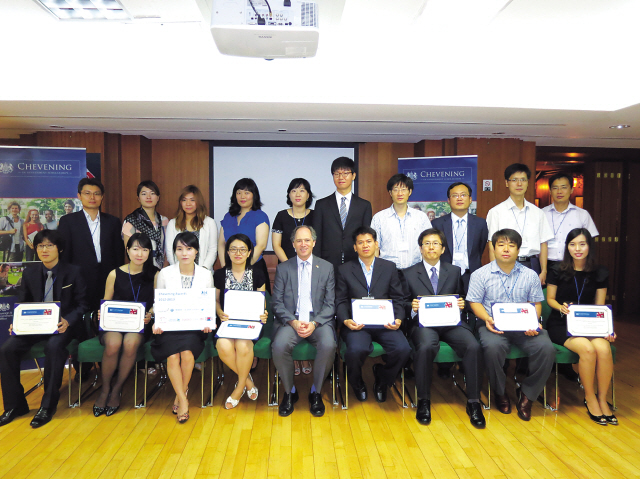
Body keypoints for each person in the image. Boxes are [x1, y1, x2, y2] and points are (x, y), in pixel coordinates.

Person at [0, 230, 87, 428]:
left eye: (49, 245)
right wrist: (17, 322)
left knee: (54, 347)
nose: (44, 250)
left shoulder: (73, 272)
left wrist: (68, 321)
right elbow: (22, 303)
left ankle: (47, 406)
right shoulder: (30, 272)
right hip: (34, 326)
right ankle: (15, 406)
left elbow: (82, 305)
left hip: (62, 326)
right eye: (40, 246)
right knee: (7, 349)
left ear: (60, 249)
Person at [467, 229, 555, 421]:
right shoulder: (480, 274)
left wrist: (534, 321)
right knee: (492, 347)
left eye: (511, 245)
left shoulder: (530, 275)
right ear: (493, 248)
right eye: (501, 245)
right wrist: (487, 319)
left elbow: (536, 304)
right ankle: (500, 392)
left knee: (546, 348)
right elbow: (474, 302)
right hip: (493, 325)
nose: (506, 249)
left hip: (525, 327)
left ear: (518, 249)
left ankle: (528, 394)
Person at [403, 228, 485, 428]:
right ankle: (423, 400)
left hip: (450, 323)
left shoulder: (455, 271)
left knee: (473, 346)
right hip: (423, 323)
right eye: (427, 244)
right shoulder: (408, 273)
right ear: (420, 248)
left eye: (435, 244)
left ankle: (474, 402)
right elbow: (402, 301)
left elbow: (462, 296)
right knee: (425, 346)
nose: (431, 247)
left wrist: (462, 303)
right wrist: (410, 307)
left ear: (443, 249)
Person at [545, 228, 616, 425]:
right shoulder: (557, 270)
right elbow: (550, 299)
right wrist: (561, 307)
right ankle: (590, 397)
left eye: (582, 244)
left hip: (590, 323)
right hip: (561, 323)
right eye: (572, 244)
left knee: (603, 348)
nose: (577, 249)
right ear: (567, 247)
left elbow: (600, 307)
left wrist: (608, 329)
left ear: (589, 247)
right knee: (586, 348)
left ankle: (602, 398)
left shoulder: (600, 272)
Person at [336, 226, 410, 403]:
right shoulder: (345, 269)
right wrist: (346, 320)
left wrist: (398, 318)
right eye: (360, 243)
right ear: (355, 247)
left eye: (369, 241)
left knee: (403, 349)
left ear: (376, 244)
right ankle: (357, 382)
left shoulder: (389, 267)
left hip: (385, 324)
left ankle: (382, 379)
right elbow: (340, 300)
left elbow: (398, 298)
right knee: (355, 350)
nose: (365, 246)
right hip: (357, 324)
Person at [271, 225, 336, 417]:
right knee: (279, 345)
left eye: (307, 240)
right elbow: (277, 302)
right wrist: (293, 322)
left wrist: (314, 323)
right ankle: (290, 392)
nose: (303, 244)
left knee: (328, 344)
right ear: (293, 244)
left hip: (318, 321)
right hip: (292, 321)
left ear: (314, 243)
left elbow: (330, 304)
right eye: (299, 240)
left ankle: (316, 392)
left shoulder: (326, 268)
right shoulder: (284, 268)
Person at [93, 233, 159, 417]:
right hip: (114, 323)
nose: (140, 254)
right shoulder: (114, 273)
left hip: (138, 324)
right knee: (113, 344)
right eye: (136, 249)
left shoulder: (155, 274)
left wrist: (150, 314)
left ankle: (117, 389)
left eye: (145, 250)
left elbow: (158, 302)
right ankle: (105, 389)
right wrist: (102, 312)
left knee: (130, 344)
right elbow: (106, 300)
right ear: (128, 250)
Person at [152, 232, 214, 424]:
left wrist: (208, 322)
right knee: (172, 355)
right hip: (169, 327)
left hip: (194, 327)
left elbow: (208, 304)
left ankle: (180, 395)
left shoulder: (205, 274)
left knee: (187, 354)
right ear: (174, 252)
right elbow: (159, 302)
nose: (184, 253)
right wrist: (158, 322)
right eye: (180, 249)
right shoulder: (165, 273)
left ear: (196, 251)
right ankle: (183, 398)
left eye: (189, 248)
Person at [214, 234, 268, 409]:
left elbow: (263, 301)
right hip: (228, 323)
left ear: (249, 252)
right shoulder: (220, 274)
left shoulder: (258, 273)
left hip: (250, 324)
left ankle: (238, 388)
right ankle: (247, 381)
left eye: (242, 249)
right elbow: (215, 301)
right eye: (233, 249)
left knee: (243, 346)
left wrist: (263, 313)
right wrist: (220, 312)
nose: (238, 253)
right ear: (228, 252)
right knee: (223, 345)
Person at [58, 178, 125, 312]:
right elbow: (65, 253)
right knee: (80, 317)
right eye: (87, 193)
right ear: (79, 196)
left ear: (102, 197)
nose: (92, 197)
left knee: (105, 314)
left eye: (96, 193)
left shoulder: (113, 222)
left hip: (107, 276)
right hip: (79, 277)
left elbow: (118, 253)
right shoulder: (68, 221)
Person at [272, 178, 315, 376]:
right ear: (289, 195)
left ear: (308, 195)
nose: (298, 194)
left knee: (307, 310)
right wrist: (292, 266)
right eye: (294, 190)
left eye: (302, 190)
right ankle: (294, 359)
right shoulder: (281, 215)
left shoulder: (316, 215)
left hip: (310, 270)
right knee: (290, 311)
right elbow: (277, 244)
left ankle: (305, 356)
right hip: (287, 271)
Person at [486, 163, 553, 284]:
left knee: (531, 302)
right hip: (505, 264)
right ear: (507, 183)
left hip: (532, 265)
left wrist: (544, 271)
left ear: (528, 183)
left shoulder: (538, 213)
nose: (519, 184)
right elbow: (492, 245)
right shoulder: (496, 212)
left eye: (523, 180)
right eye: (514, 180)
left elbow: (543, 243)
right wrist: (494, 271)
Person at [313, 157, 372, 271]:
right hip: (327, 262)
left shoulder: (364, 205)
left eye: (345, 173)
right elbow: (317, 236)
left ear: (353, 176)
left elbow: (365, 236)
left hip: (355, 261)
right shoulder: (321, 205)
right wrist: (317, 262)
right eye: (337, 174)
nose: (341, 177)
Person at [431, 182, 488, 293]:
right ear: (448, 200)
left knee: (471, 308)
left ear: (470, 199)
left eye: (463, 195)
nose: (459, 198)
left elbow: (480, 248)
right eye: (455, 195)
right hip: (445, 275)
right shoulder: (437, 224)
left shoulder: (480, 223)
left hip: (471, 275)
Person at [219, 178, 270, 294]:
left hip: (254, 267)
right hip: (229, 269)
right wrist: (225, 268)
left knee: (254, 308)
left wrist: (242, 269)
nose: (242, 196)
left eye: (247, 193)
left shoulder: (260, 216)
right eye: (239, 193)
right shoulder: (228, 216)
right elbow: (221, 243)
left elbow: (261, 245)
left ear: (254, 195)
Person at [371, 173, 432, 270]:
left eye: (403, 189)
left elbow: (429, 244)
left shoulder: (421, 217)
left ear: (410, 192)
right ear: (390, 193)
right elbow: (374, 247)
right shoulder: (379, 218)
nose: (400, 193)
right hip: (387, 271)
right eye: (396, 190)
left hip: (416, 271)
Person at [542, 172, 599, 270]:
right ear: (550, 191)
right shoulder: (541, 213)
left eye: (564, 187)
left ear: (571, 190)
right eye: (555, 188)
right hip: (546, 264)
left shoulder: (582, 214)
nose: (559, 191)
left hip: (574, 264)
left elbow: (590, 241)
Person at [166, 185, 217, 271]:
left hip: (203, 273)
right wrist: (177, 270)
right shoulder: (172, 223)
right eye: (184, 200)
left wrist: (203, 270)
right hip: (179, 272)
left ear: (198, 202)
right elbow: (170, 250)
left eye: (192, 200)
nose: (188, 203)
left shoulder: (209, 223)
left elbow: (212, 249)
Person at [123, 180, 169, 270]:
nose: (148, 197)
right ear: (138, 198)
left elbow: (168, 248)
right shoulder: (131, 221)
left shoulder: (165, 221)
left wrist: (165, 268)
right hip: (140, 269)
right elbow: (130, 251)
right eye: (144, 194)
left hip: (163, 268)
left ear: (158, 197)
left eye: (152, 193)